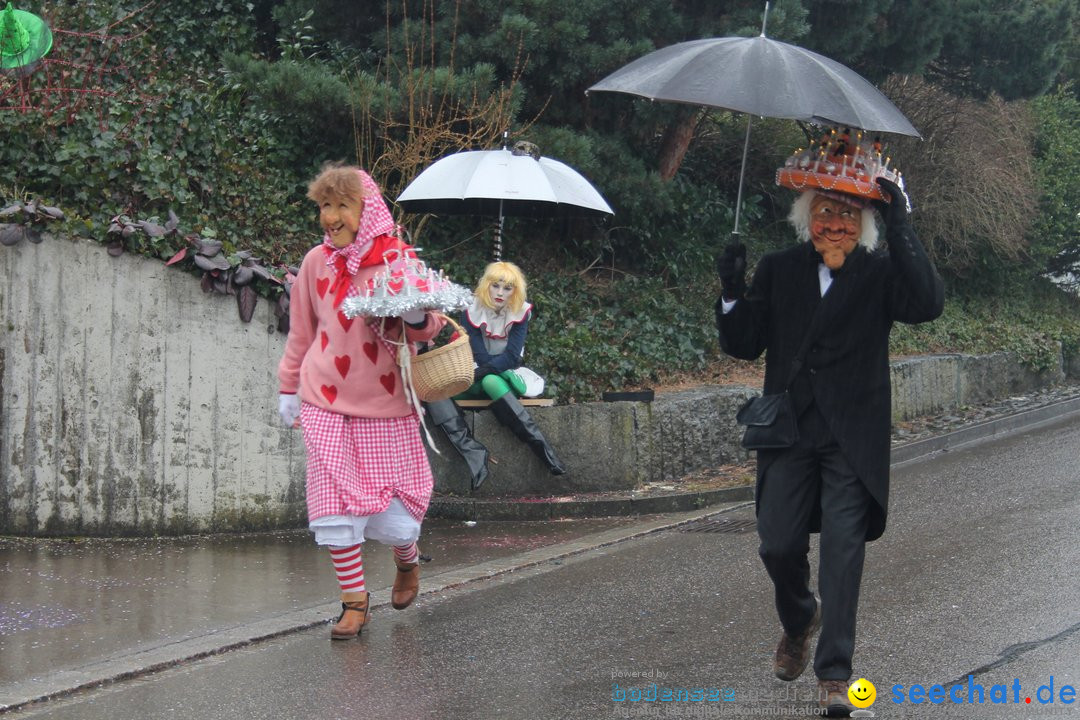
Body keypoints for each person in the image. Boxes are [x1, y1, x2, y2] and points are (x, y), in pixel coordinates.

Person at [716, 138, 944, 716]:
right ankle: (799, 618)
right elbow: (742, 344)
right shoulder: (780, 269)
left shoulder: (881, 272)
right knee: (778, 544)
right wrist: (730, 290)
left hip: (853, 438)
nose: (835, 223)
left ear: (864, 222)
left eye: (848, 214)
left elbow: (929, 303)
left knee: (844, 552)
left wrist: (903, 227)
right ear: (807, 217)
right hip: (790, 431)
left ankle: (835, 674)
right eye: (824, 212)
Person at [277, 163, 446, 640]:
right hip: (325, 399)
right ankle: (354, 603)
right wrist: (289, 387)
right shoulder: (315, 262)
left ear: (366, 209)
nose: (331, 216)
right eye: (324, 206)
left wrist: (414, 313)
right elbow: (302, 333)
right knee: (332, 505)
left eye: (341, 205)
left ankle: (407, 562)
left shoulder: (397, 259)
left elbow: (430, 326)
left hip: (387, 403)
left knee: (396, 519)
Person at [425, 261, 566, 482]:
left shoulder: (521, 313)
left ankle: (542, 449)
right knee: (433, 391)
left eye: (507, 288)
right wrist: (479, 372)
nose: (500, 293)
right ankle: (474, 452)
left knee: (491, 380)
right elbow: (479, 355)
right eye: (495, 286)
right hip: (475, 373)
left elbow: (511, 357)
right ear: (486, 286)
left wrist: (485, 371)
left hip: (506, 375)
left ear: (515, 291)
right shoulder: (471, 310)